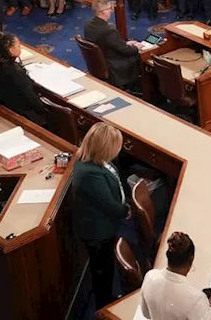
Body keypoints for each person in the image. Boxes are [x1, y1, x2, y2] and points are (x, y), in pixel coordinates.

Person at [71, 123, 127, 312]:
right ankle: (105, 306)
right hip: (97, 231)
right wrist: (124, 211)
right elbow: (107, 204)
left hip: (104, 224)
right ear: (104, 147)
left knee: (105, 267)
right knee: (103, 270)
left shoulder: (98, 161)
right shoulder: (89, 174)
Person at [139, 230, 211, 319]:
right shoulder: (196, 299)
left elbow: (146, 313)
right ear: (191, 260)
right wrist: (210, 308)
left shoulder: (150, 277)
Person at [84, 0, 147, 92]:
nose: (111, 11)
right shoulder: (109, 30)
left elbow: (110, 43)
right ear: (102, 12)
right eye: (109, 8)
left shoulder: (88, 25)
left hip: (99, 61)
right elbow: (126, 51)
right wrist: (136, 47)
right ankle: (141, 88)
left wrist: (125, 43)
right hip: (113, 64)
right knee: (140, 56)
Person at [0, 31, 47, 127]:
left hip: (8, 104)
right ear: (11, 50)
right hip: (23, 112)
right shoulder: (15, 72)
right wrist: (44, 110)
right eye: (18, 46)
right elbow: (31, 97)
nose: (20, 48)